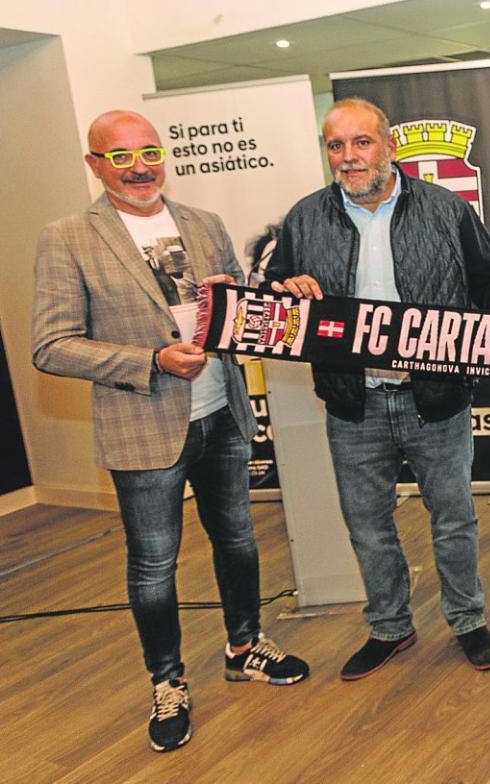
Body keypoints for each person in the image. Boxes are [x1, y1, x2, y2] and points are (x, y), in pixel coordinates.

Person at [32, 110, 309, 754]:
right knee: (154, 566)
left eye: (149, 151)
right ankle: (168, 682)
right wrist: (149, 360)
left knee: (238, 541)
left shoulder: (203, 223)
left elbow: (227, 314)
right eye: (121, 156)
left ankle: (245, 647)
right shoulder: (68, 236)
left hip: (223, 413)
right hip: (143, 426)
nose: (140, 167)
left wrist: (249, 302)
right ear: (95, 165)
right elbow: (51, 346)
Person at [264, 97, 490, 680]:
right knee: (368, 524)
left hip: (435, 399)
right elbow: (273, 291)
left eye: (361, 143)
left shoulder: (446, 209)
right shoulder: (303, 217)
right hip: (353, 401)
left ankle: (468, 620)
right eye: (336, 146)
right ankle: (389, 627)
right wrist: (283, 289)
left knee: (453, 519)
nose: (349, 157)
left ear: (388, 146)